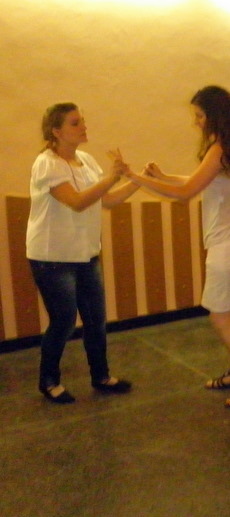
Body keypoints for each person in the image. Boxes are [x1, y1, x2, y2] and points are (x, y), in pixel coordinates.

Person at [121, 86, 230, 408]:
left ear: (215, 116)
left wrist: (136, 178)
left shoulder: (219, 149)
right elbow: (200, 181)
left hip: (228, 247)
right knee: (226, 313)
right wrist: (163, 176)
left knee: (221, 317)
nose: (197, 122)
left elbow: (186, 192)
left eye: (200, 116)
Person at [26, 103, 139, 403]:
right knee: (64, 321)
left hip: (86, 253)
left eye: (83, 121)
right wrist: (111, 178)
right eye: (75, 123)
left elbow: (107, 200)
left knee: (95, 319)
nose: (83, 127)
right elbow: (76, 202)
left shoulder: (86, 161)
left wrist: (137, 181)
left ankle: (101, 376)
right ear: (56, 131)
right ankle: (49, 381)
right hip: (52, 257)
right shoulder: (47, 164)